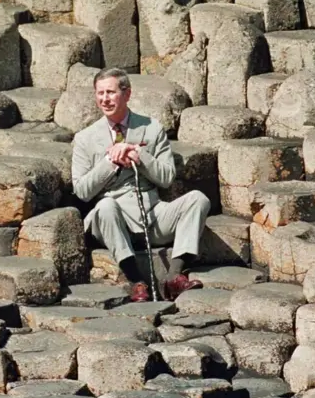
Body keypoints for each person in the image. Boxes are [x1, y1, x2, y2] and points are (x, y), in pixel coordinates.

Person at [72, 67, 211, 302]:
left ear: (126, 94)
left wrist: (139, 156)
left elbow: (167, 177)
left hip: (153, 213)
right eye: (100, 93)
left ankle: (174, 277)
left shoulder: (151, 127)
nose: (105, 99)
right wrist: (109, 162)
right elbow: (82, 191)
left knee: (198, 199)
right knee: (105, 206)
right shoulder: (85, 138)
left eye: (111, 92)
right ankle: (137, 281)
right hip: (114, 220)